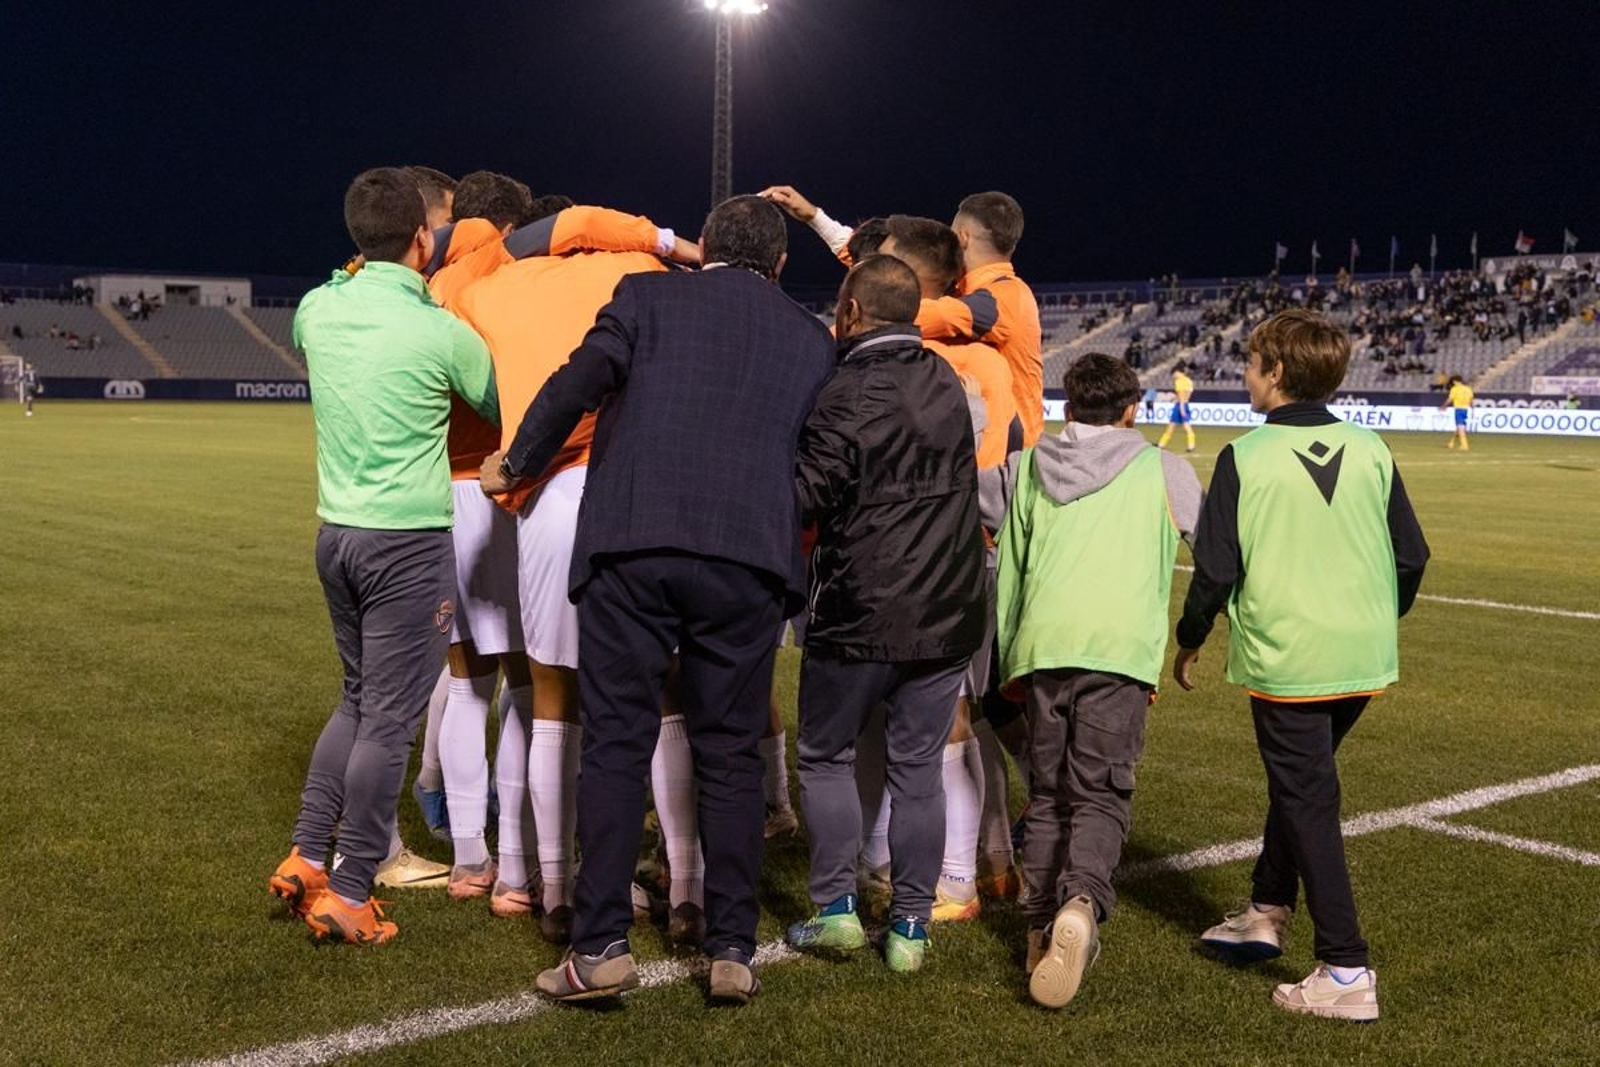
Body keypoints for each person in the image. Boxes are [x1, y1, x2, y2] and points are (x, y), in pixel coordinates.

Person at [480, 194, 835, 1003]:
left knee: (615, 741)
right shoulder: (810, 340)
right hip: (747, 559)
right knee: (731, 754)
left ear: (703, 246)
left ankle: (600, 943)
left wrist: (520, 460)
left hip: (635, 542)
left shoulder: (647, 294)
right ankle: (733, 946)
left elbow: (580, 380)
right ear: (779, 265)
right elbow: (821, 457)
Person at [1173, 309, 1429, 1022]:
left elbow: (1214, 569)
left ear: (1277, 373)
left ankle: (1346, 967)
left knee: (1308, 795)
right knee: (1302, 781)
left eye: (1253, 362)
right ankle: (1265, 908)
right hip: (1362, 653)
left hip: (1289, 657)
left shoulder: (1245, 456)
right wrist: (1375, 617)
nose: (1246, 373)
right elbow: (1412, 555)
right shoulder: (1372, 447)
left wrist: (1188, 636)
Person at [267, 167, 500, 945]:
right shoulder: (439, 328)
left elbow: (331, 297)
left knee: (357, 699)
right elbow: (498, 403)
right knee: (390, 721)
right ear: (424, 239)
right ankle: (353, 885)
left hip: (336, 534)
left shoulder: (317, 308)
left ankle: (307, 852)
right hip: (407, 542)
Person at [454, 201, 696, 945]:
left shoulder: (491, 288)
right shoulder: (641, 269)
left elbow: (468, 264)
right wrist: (664, 238)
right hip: (645, 489)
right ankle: (687, 885)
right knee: (662, 692)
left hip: (552, 495)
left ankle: (557, 889)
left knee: (554, 695)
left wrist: (522, 239)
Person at [785, 255, 988, 975]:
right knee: (919, 771)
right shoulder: (946, 380)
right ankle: (909, 926)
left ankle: (837, 909)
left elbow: (805, 496)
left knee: (824, 755)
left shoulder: (844, 391)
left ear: (849, 312)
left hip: (861, 607)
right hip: (946, 606)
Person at [995, 353, 1201, 1008]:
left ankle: (1036, 929)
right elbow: (1217, 549)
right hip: (1118, 653)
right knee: (1102, 793)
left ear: (1066, 406)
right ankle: (1079, 904)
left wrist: (1008, 659)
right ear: (1132, 409)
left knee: (1049, 795)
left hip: (1042, 648)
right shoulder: (1164, 467)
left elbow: (1001, 554)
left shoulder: (1027, 467)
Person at [872, 215, 1024, 920]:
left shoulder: (960, 361)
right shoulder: (965, 357)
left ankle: (957, 875)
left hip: (946, 560)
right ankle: (987, 860)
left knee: (949, 716)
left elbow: (991, 483)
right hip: (951, 557)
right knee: (957, 715)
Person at [761, 186, 1045, 444]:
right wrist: (814, 217)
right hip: (971, 441)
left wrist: (837, 332)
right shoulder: (967, 289)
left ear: (963, 237)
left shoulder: (1006, 297)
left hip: (1009, 463)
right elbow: (889, 273)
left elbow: (895, 301)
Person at [1157, 362, 1196, 452]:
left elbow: (1181, 396)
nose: (1173, 376)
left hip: (1180, 406)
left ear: (1177, 372)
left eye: (1174, 374)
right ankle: (1191, 445)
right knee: (1185, 426)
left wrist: (1181, 409)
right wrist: (1174, 398)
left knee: (1172, 426)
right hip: (1185, 404)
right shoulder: (1189, 381)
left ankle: (1161, 444)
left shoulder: (1179, 382)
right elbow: (1186, 394)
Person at [1442, 373, 1474, 450]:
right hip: (1466, 409)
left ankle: (1464, 445)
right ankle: (1451, 443)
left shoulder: (1455, 389)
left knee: (1460, 428)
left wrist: (1444, 406)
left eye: (1453, 381)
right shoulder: (1468, 389)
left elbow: (1450, 399)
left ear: (1455, 381)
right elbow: (1471, 400)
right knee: (1459, 428)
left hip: (1459, 409)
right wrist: (1473, 410)